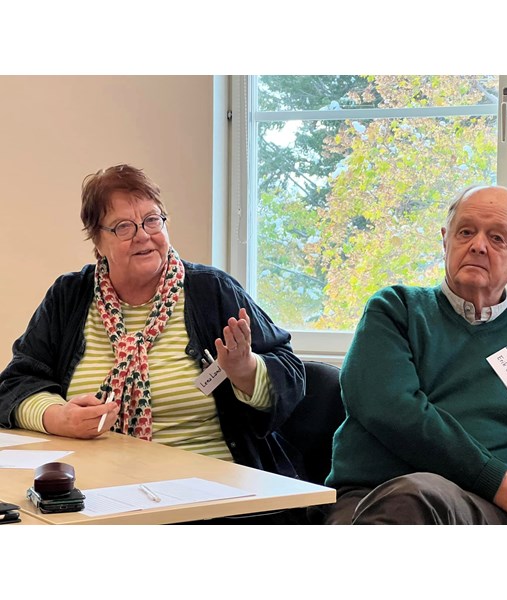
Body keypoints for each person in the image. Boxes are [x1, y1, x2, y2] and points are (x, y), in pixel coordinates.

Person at [0, 164, 305, 486]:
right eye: (123, 227)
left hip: (211, 490)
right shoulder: (69, 296)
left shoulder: (212, 289)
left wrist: (246, 370)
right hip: (96, 487)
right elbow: (16, 384)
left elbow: (291, 374)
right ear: (97, 241)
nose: (143, 235)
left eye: (152, 220)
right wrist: (59, 417)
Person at [323, 184, 507, 525]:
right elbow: (390, 408)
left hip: (491, 512)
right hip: (371, 496)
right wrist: (497, 480)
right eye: (466, 232)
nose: (478, 246)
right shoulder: (396, 310)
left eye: (497, 238)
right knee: (412, 497)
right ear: (445, 240)